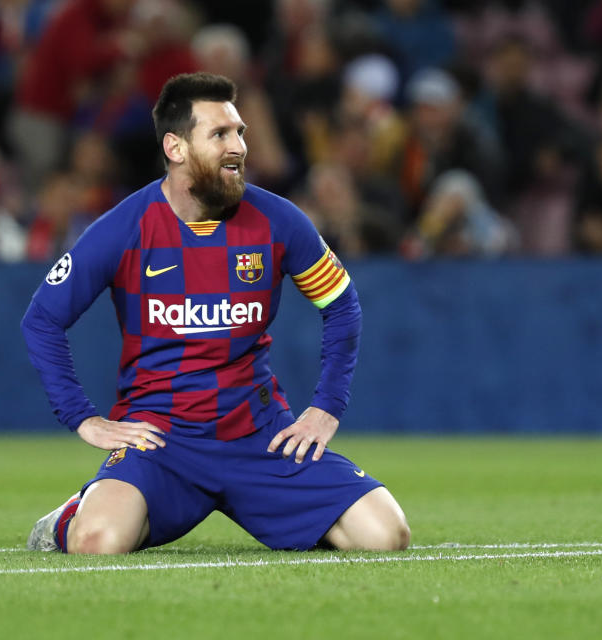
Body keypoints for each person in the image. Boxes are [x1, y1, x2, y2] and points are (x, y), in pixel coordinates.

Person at [21, 72, 410, 554]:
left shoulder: (279, 220)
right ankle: (66, 519)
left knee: (386, 536)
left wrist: (326, 407)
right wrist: (83, 418)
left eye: (240, 132)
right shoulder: (124, 227)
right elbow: (42, 321)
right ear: (176, 147)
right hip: (160, 439)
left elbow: (342, 306)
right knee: (97, 541)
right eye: (220, 134)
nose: (239, 147)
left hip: (258, 435)